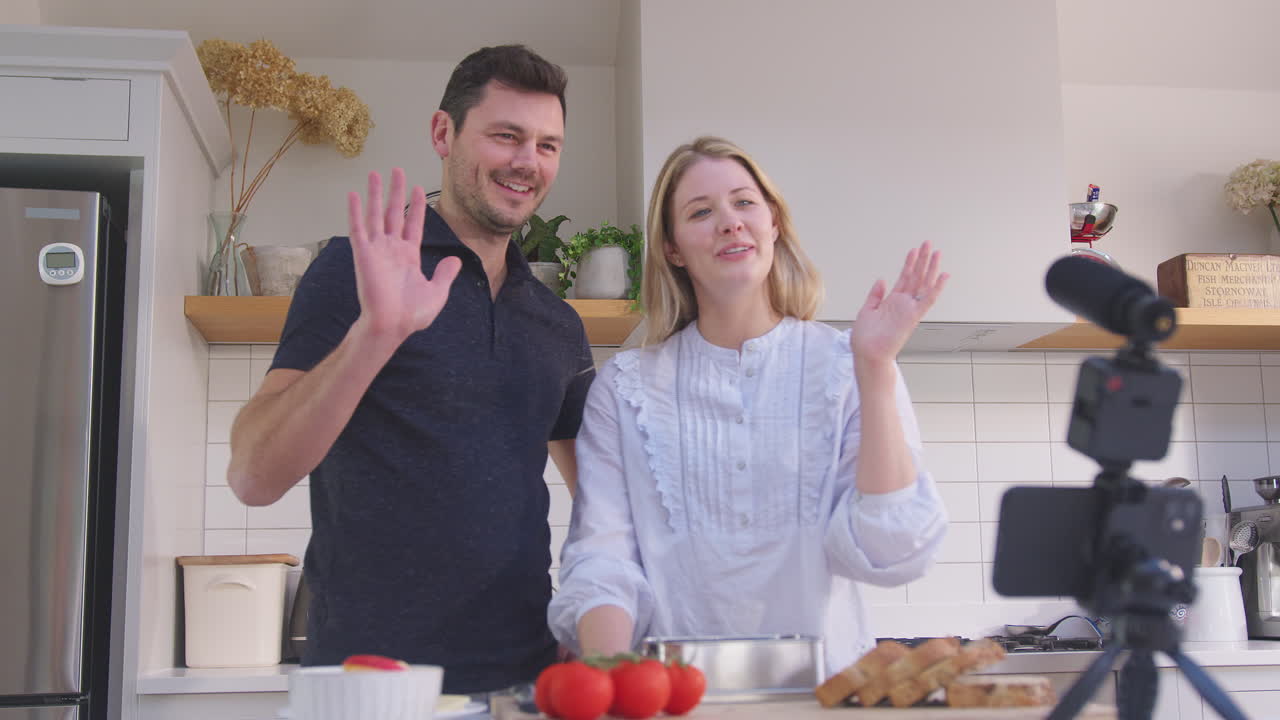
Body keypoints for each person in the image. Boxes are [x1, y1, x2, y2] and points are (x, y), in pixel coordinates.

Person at [226, 45, 594, 694]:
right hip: (370, 683)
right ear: (443, 134)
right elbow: (254, 476)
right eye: (506, 136)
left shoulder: (556, 324)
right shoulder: (354, 270)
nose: (527, 162)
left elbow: (603, 500)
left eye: (547, 145)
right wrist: (376, 334)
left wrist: (592, 618)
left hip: (524, 681)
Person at [548, 136, 949, 675]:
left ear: (773, 223)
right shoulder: (625, 388)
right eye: (701, 212)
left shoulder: (850, 363)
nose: (730, 223)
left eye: (744, 203)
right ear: (672, 249)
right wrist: (608, 676)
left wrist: (875, 368)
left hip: (824, 697)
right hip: (672, 699)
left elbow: (891, 550)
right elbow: (605, 557)